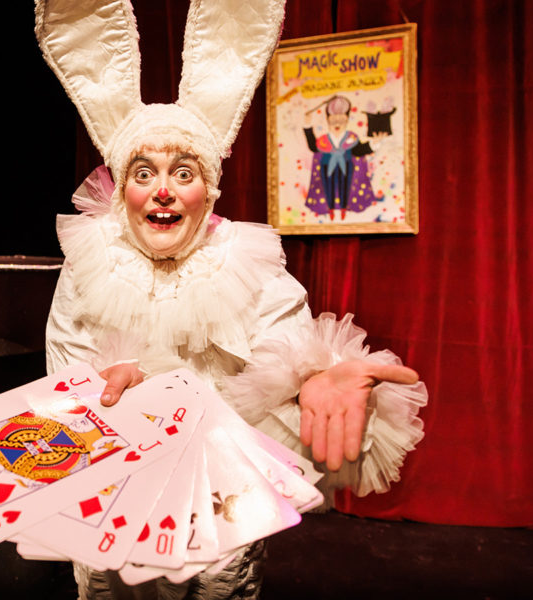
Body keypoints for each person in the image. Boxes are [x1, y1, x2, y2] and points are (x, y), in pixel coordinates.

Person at [36, 1, 427, 597]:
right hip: (113, 497)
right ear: (122, 189)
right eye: (143, 172)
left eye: (183, 172)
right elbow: (64, 378)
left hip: (221, 498)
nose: (162, 190)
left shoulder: (244, 260)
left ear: (209, 188)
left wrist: (311, 377)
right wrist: (108, 393)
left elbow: (289, 346)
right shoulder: (92, 264)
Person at [303, 95, 386, 221]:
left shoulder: (351, 138)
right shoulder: (323, 140)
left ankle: (343, 208)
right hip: (326, 166)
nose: (337, 124)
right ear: (328, 120)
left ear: (347, 120)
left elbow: (359, 150)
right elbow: (313, 146)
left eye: (341, 120)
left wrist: (374, 143)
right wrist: (308, 125)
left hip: (346, 166)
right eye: (333, 120)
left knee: (345, 187)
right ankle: (330, 209)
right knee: (328, 188)